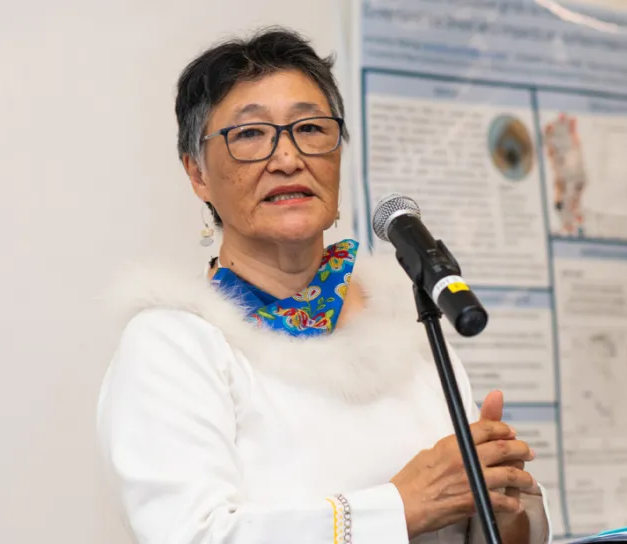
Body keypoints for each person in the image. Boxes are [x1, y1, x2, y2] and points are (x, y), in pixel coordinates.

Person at [97, 27, 552, 544]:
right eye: (249, 134)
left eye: (311, 128)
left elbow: (484, 528)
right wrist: (400, 508)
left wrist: (498, 501)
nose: (288, 157)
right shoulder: (174, 344)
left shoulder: (408, 323)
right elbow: (193, 535)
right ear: (197, 173)